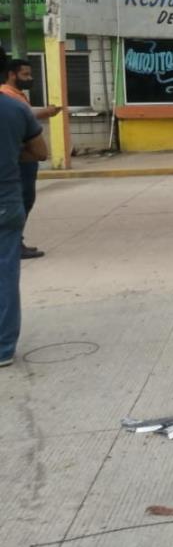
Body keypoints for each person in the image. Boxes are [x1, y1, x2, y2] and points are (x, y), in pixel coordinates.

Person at [0, 47, 49, 368]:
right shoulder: (14, 109)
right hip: (6, 200)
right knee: (5, 272)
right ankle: (3, 347)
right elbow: (40, 151)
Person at [1, 59, 61, 259]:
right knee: (19, 202)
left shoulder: (17, 96)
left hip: (26, 157)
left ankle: (17, 242)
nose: (30, 79)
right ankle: (14, 244)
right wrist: (47, 112)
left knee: (25, 201)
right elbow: (23, 120)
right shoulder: (8, 96)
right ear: (11, 74)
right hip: (21, 159)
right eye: (25, 75)